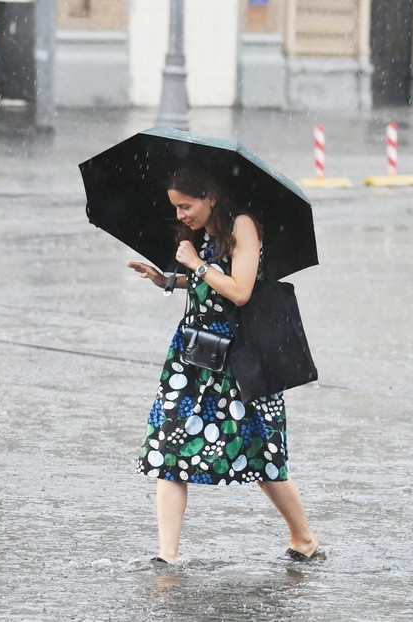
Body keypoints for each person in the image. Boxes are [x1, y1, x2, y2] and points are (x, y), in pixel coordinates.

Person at [128, 167, 323, 564]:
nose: (181, 215)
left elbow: (240, 291)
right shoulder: (205, 234)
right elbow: (208, 281)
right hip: (194, 355)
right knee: (170, 448)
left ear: (210, 197)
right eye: (176, 208)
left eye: (187, 206)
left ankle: (305, 539)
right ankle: (167, 555)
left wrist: (196, 264)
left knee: (263, 456)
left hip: (241, 360)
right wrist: (167, 279)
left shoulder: (243, 226)